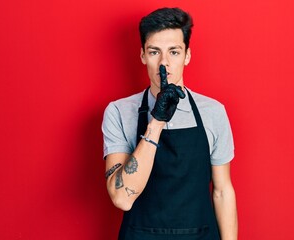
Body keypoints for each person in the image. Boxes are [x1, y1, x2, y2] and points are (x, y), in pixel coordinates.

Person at [102, 7, 238, 240]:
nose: (164, 64)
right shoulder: (118, 111)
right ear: (143, 55)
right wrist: (157, 121)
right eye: (154, 52)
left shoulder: (213, 112)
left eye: (174, 52)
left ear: (187, 56)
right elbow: (122, 198)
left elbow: (222, 191)